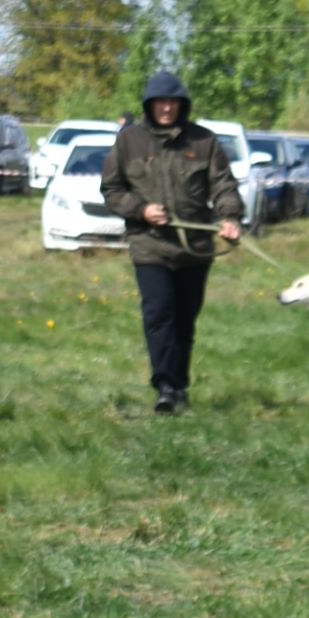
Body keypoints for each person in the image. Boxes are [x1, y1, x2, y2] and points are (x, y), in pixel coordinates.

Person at [99, 71, 243, 414]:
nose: (166, 108)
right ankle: (164, 385)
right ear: (149, 105)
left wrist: (230, 217)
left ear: (182, 104)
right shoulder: (129, 141)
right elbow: (112, 189)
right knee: (159, 314)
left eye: (172, 102)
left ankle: (179, 385)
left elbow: (223, 185)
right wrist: (141, 210)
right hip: (149, 245)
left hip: (195, 249)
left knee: (183, 320)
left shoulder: (203, 142)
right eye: (160, 102)